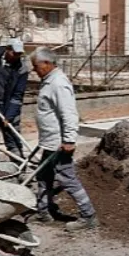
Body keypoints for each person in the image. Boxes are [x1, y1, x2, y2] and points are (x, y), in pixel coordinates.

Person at [28, 47, 98, 231]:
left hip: (59, 143)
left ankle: (88, 215)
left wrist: (68, 140)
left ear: (47, 63)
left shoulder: (58, 83)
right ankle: (44, 212)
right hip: (50, 141)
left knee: (67, 178)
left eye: (36, 66)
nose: (34, 70)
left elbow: (69, 113)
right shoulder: (49, 81)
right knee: (43, 176)